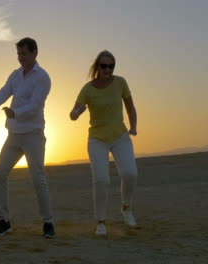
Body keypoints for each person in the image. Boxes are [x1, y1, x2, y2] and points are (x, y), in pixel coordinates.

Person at [0, 37, 55, 238]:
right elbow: (5, 90)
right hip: (13, 135)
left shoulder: (43, 77)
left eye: (24, 53)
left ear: (35, 53)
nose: (21, 58)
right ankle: (4, 220)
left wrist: (15, 113)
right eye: (18, 54)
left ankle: (48, 222)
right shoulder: (15, 75)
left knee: (37, 178)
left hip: (33, 135)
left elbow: (35, 105)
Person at [70, 50, 139, 236]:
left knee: (130, 173)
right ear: (97, 67)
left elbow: (130, 107)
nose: (107, 69)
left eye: (111, 66)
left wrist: (133, 126)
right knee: (101, 180)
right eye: (104, 66)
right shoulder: (88, 89)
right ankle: (101, 222)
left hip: (120, 136)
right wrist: (77, 113)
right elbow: (73, 113)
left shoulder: (120, 82)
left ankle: (126, 208)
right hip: (97, 140)